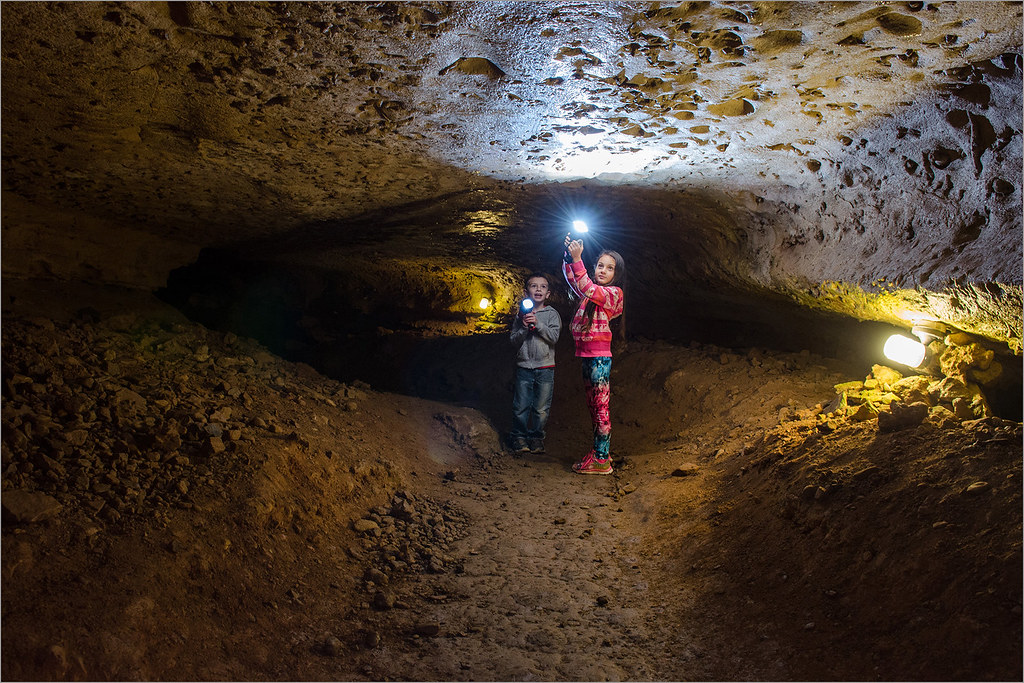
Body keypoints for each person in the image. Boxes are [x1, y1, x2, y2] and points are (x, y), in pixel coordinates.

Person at [562, 237, 625, 475]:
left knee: (600, 407)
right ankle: (600, 453)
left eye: (610, 268)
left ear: (616, 274)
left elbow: (587, 286)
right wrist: (569, 256)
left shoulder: (612, 293)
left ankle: (601, 459)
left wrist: (578, 259)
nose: (604, 270)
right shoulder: (591, 292)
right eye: (600, 265)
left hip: (599, 358)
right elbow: (574, 280)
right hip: (588, 356)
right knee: (593, 406)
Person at [508, 272, 562, 454]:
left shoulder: (552, 314)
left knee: (541, 408)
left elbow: (554, 338)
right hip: (524, 367)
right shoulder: (520, 315)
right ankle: (519, 437)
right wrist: (524, 326)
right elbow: (514, 341)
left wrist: (537, 324)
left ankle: (536, 438)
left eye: (543, 286)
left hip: (545, 367)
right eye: (533, 286)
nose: (538, 289)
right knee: (521, 405)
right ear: (526, 292)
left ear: (548, 294)